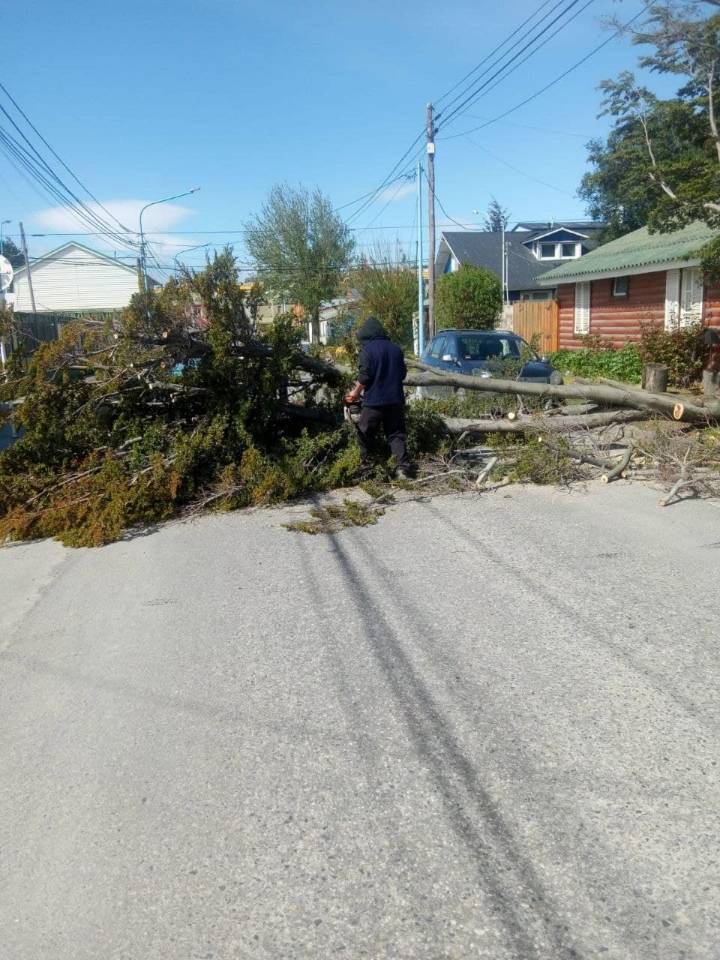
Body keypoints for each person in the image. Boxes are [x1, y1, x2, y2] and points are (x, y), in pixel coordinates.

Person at [344, 316, 412, 479]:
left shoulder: (367, 350)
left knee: (365, 433)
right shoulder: (396, 349)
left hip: (374, 402)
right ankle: (402, 469)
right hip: (395, 401)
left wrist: (354, 393)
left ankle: (366, 468)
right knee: (396, 435)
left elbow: (365, 376)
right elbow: (403, 374)